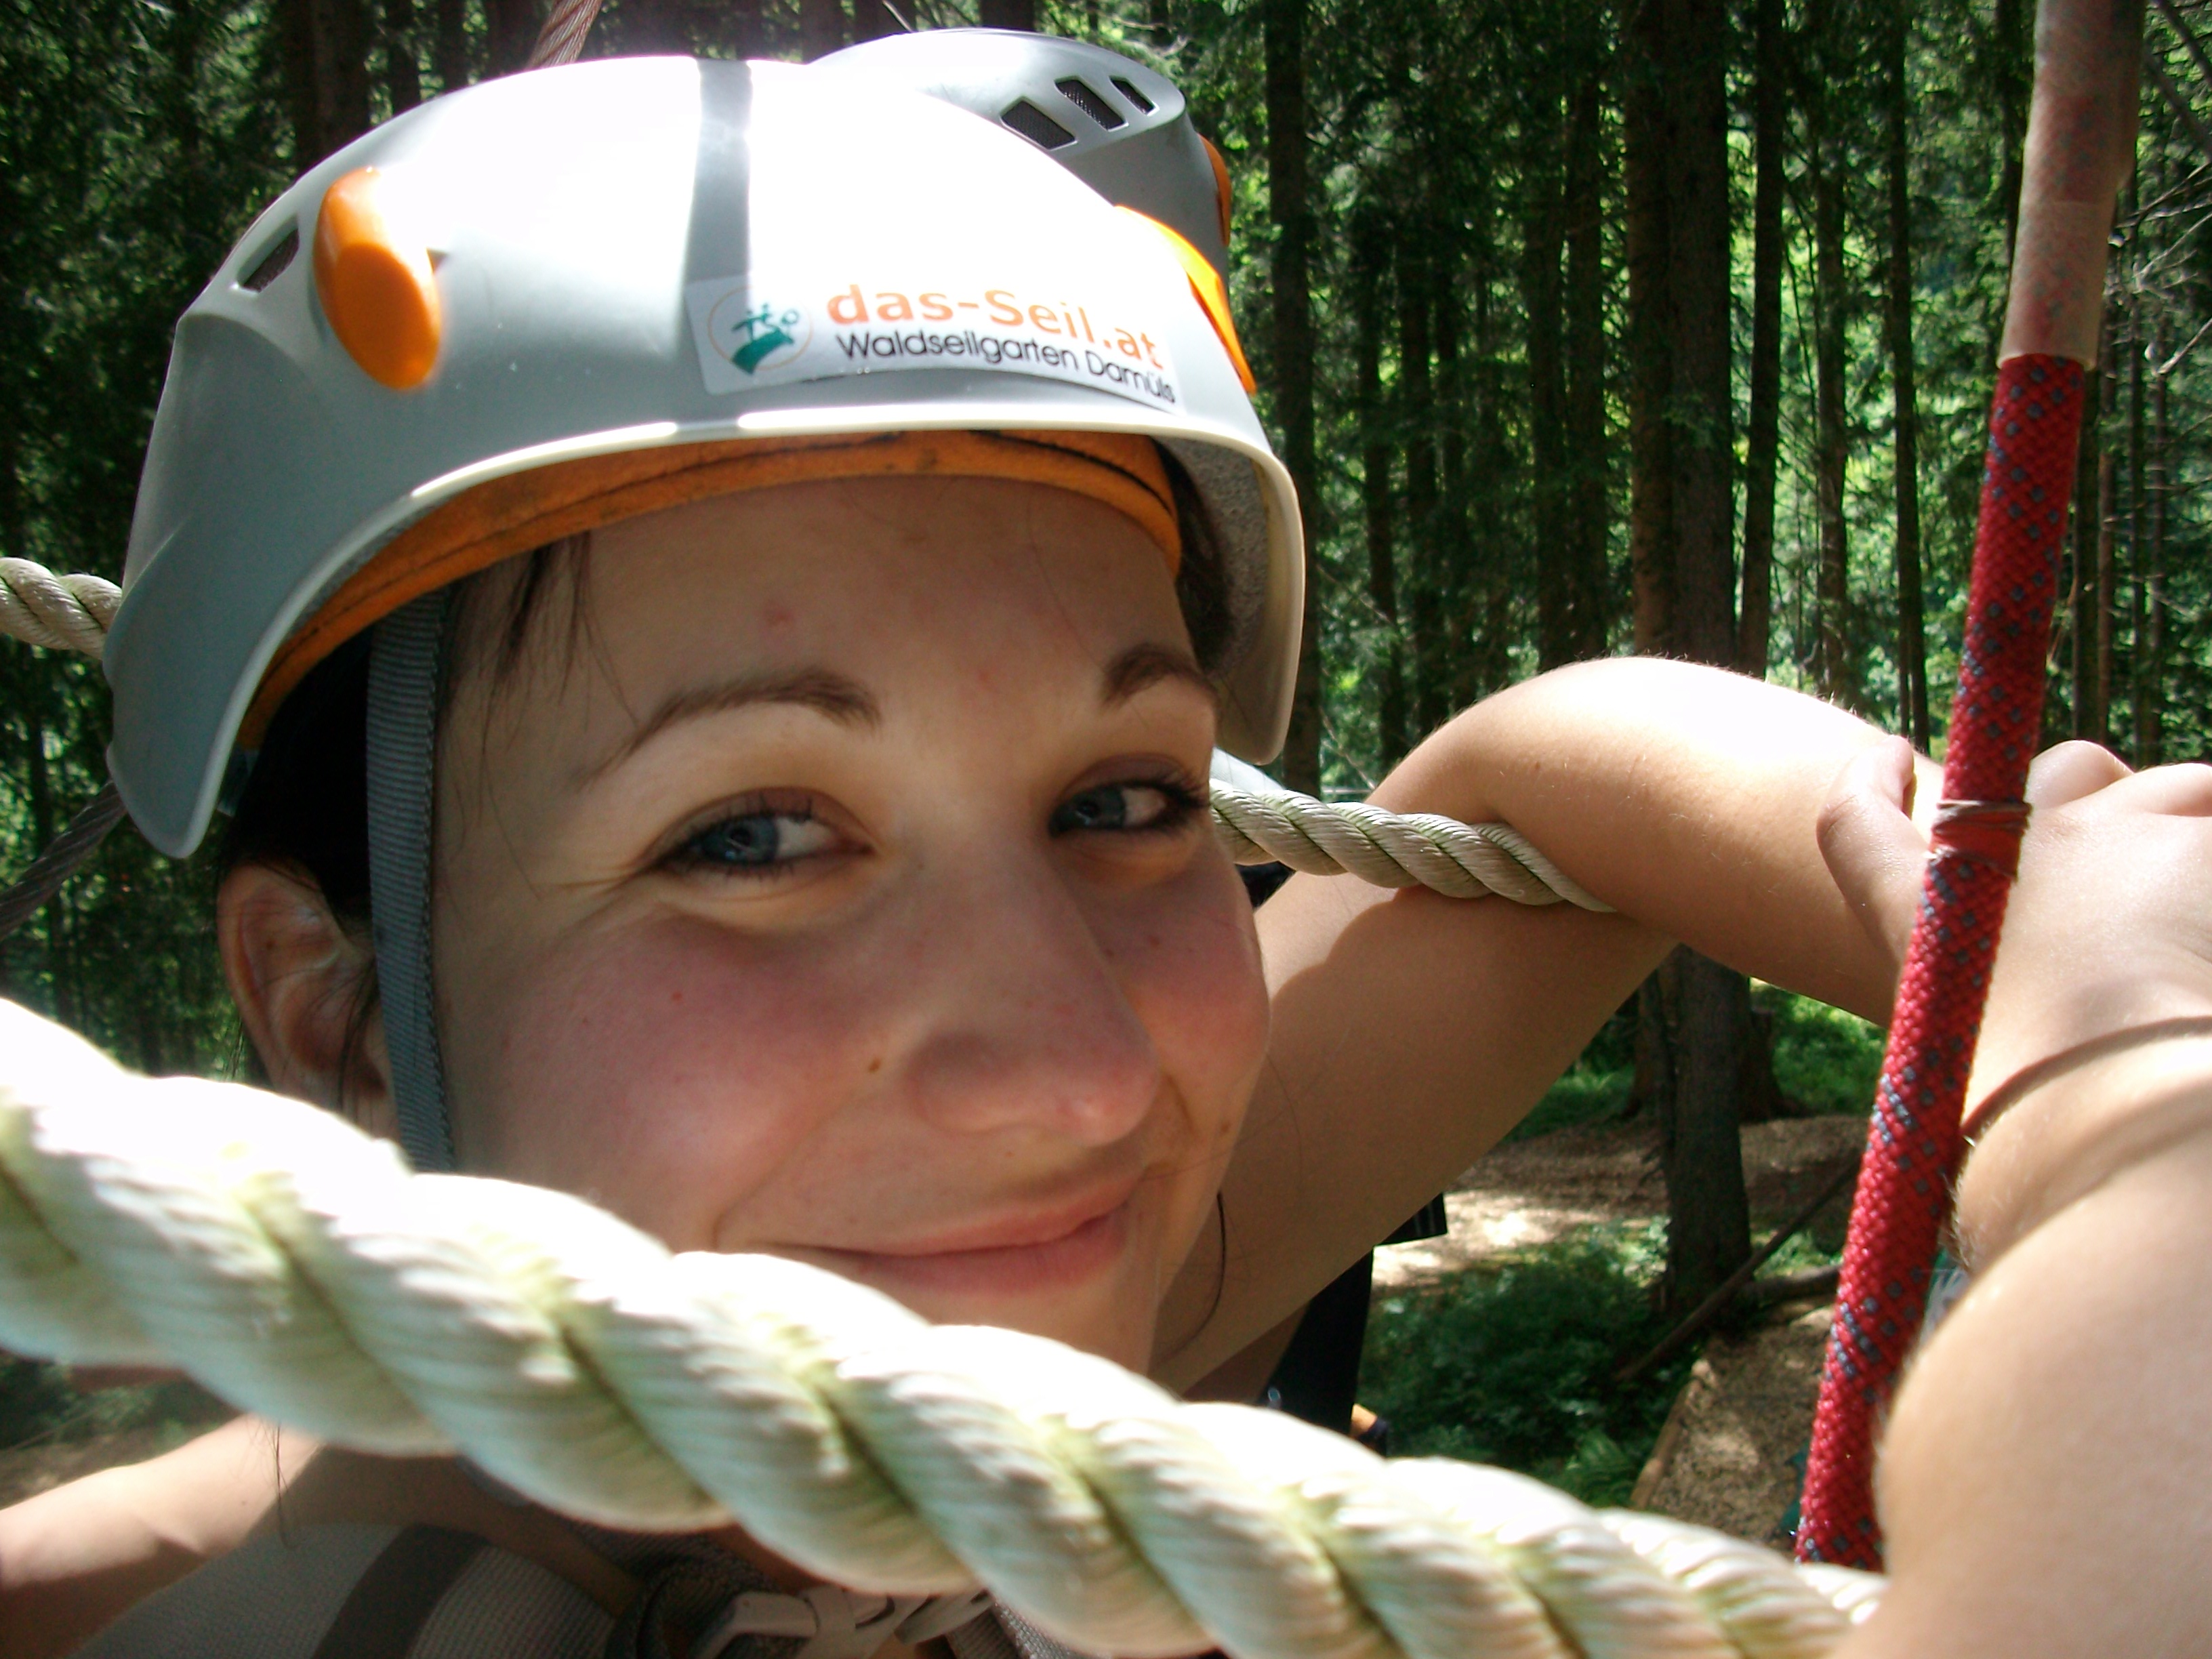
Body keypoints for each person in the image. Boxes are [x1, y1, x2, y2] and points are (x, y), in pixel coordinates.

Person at [5, 30, 2210, 1659]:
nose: (1072, 1068)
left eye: (1123, 803)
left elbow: (1536, 789)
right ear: (337, 1010)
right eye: (758, 834)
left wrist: (1985, 910)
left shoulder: (1016, 1334)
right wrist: (2135, 1112)